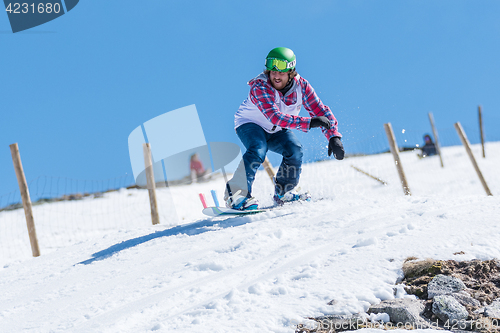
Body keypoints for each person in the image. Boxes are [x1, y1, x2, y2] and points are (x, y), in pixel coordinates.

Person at [224, 47, 344, 210]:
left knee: (295, 149)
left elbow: (320, 110)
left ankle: (283, 193)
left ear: (291, 71)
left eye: (280, 71)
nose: (275, 75)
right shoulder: (261, 86)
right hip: (250, 123)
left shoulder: (302, 87)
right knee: (258, 149)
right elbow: (275, 116)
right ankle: (236, 195)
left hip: (278, 129)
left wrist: (333, 136)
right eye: (272, 71)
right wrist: (309, 123)